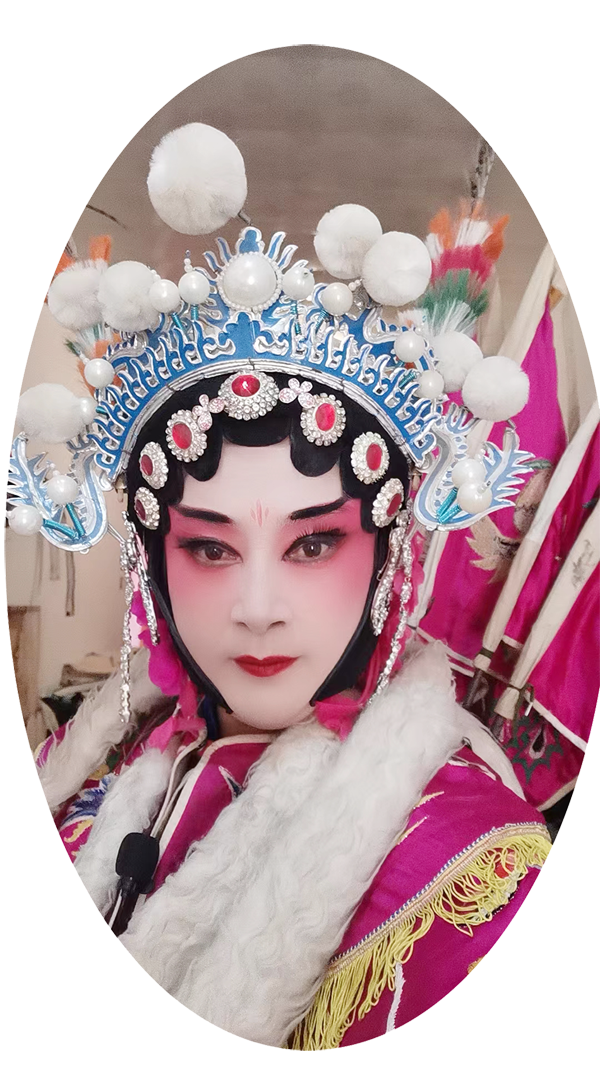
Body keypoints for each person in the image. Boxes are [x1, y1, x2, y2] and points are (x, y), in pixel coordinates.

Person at [7, 122, 551, 1048]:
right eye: (210, 549)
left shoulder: (463, 869)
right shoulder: (93, 765)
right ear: (151, 566)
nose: (257, 609)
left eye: (314, 543)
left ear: (389, 561)